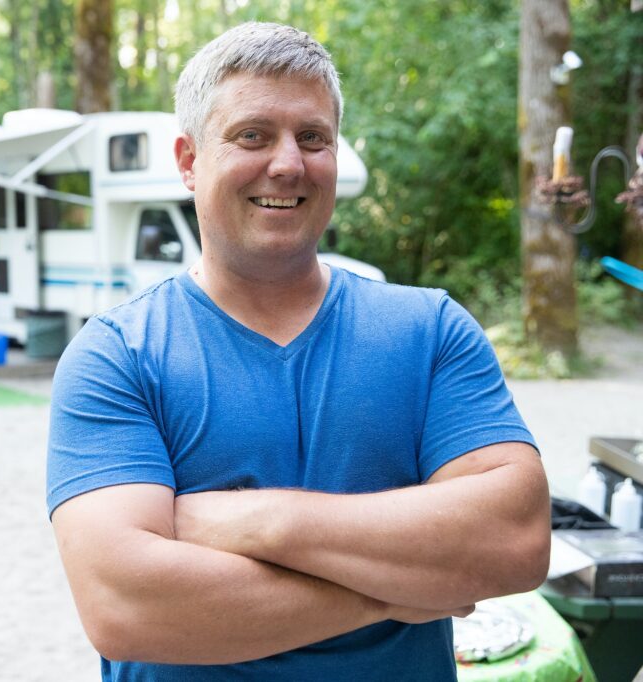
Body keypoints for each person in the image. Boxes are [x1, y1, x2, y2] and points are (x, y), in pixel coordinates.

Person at [47, 22, 551, 681]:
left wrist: (264, 524)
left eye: (313, 137)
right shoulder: (117, 356)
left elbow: (513, 543)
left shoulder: (430, 330)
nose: (289, 163)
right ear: (189, 160)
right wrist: (405, 587)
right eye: (252, 135)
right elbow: (127, 607)